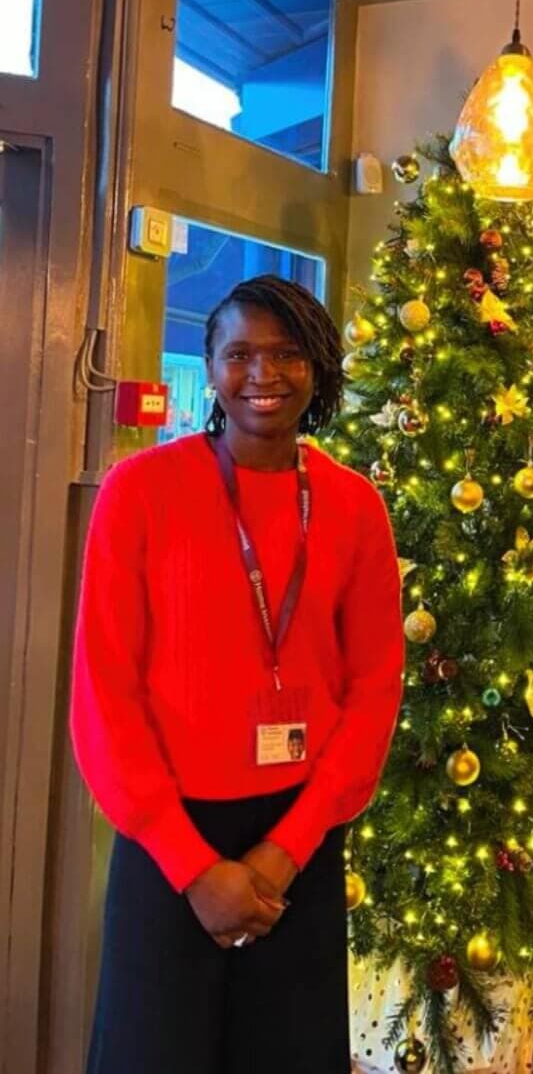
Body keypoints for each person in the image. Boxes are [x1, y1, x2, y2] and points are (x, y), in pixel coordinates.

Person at [71, 275, 403, 1074]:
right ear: (213, 368)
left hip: (299, 839)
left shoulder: (353, 506)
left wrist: (287, 848)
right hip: (168, 842)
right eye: (241, 353)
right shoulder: (141, 491)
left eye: (287, 353)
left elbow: (375, 686)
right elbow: (104, 690)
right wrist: (191, 865)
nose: (264, 373)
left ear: (318, 366)